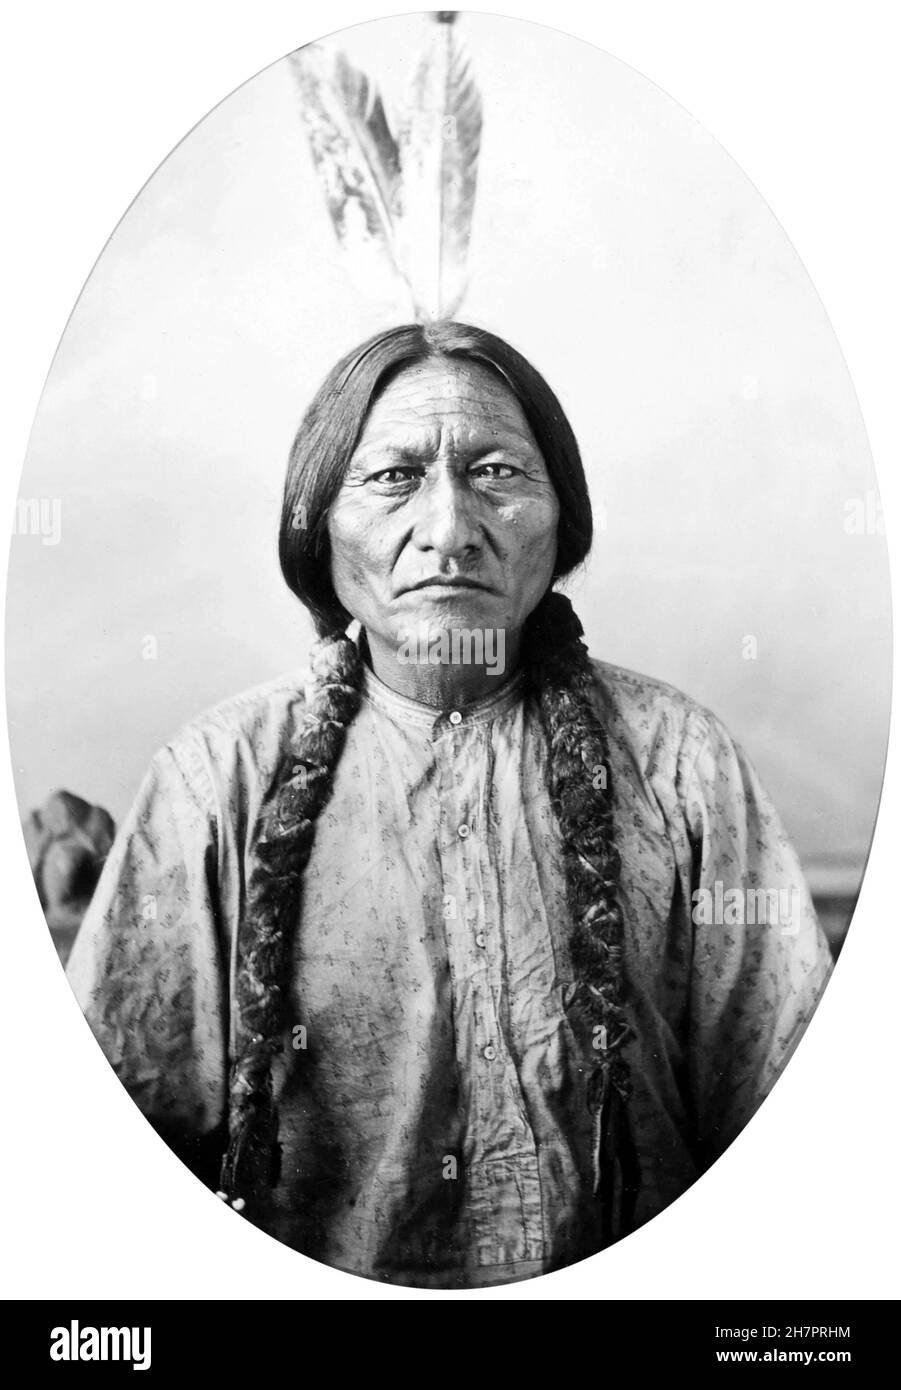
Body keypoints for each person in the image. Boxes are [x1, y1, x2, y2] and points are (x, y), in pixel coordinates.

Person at [66, 319, 833, 1289]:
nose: (447, 527)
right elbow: (114, 1177)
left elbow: (787, 1136)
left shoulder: (683, 762)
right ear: (317, 525)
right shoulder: (215, 783)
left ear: (561, 520)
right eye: (392, 477)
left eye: (496, 471)